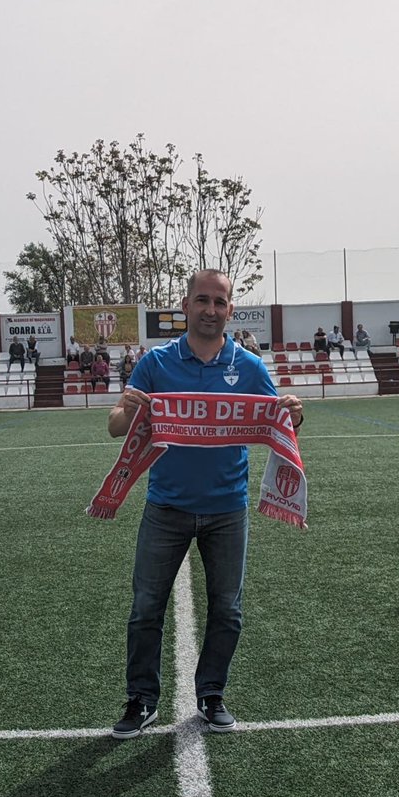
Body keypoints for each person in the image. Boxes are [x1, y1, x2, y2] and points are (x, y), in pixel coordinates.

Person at [107, 268, 303, 740]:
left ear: (230, 309)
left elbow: (280, 422)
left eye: (220, 302)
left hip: (227, 510)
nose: (210, 310)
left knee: (227, 609)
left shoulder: (251, 367)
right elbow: (116, 425)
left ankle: (212, 693)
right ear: (186, 305)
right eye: (202, 300)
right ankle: (142, 699)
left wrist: (297, 413)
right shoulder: (156, 363)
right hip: (166, 507)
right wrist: (129, 412)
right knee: (145, 608)